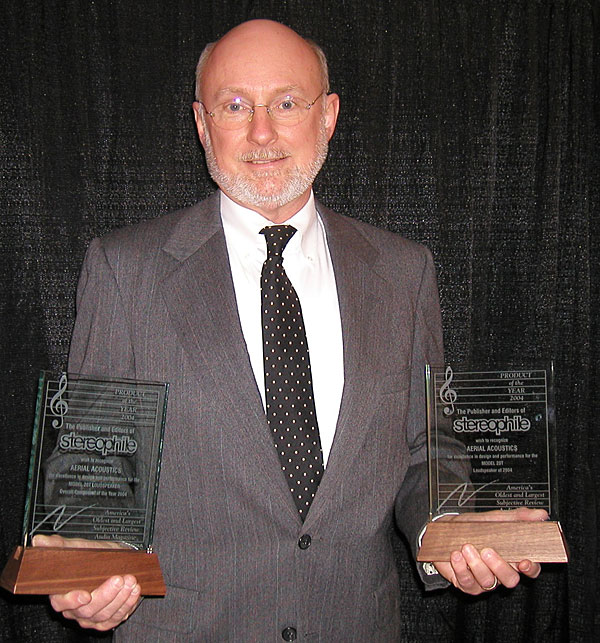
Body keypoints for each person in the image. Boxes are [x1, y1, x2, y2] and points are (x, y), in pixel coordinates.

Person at [35, 19, 545, 641]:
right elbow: (95, 462)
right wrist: (86, 566)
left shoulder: (403, 272)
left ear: (327, 116)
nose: (261, 131)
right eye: (234, 106)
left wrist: (452, 533)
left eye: (286, 103)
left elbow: (426, 453)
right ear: (202, 125)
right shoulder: (125, 271)